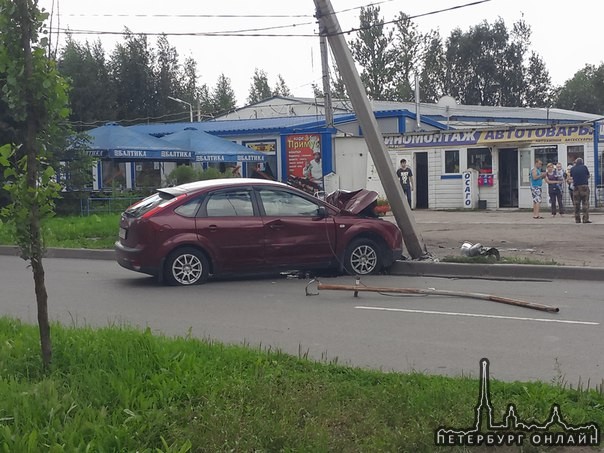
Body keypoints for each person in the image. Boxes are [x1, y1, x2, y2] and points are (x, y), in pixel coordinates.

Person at [569, 158, 591, 223]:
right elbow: (588, 175)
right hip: (584, 186)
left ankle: (577, 219)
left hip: (576, 187)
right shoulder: (584, 167)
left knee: (576, 204)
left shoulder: (572, 168)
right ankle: (585, 219)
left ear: (576, 162)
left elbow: (571, 176)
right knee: (585, 203)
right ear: (582, 162)